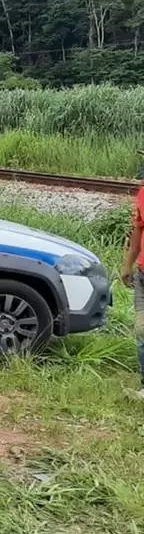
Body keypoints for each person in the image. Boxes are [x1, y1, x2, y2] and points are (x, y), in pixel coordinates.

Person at [119, 165, 144, 399]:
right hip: (143, 275)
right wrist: (128, 265)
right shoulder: (143, 193)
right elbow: (138, 230)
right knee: (142, 332)